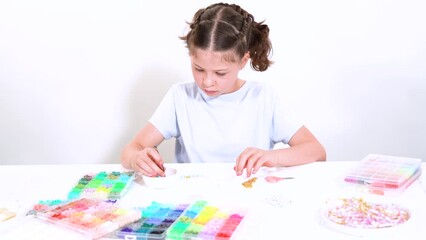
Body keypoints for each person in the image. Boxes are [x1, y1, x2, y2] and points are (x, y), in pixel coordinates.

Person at [121, 2, 326, 178]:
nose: (207, 82)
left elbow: (316, 151)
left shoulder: (263, 97)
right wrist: (137, 158)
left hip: (249, 199)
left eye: (220, 73)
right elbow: (132, 149)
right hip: (194, 204)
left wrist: (271, 157)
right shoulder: (180, 96)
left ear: (243, 60)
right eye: (198, 69)